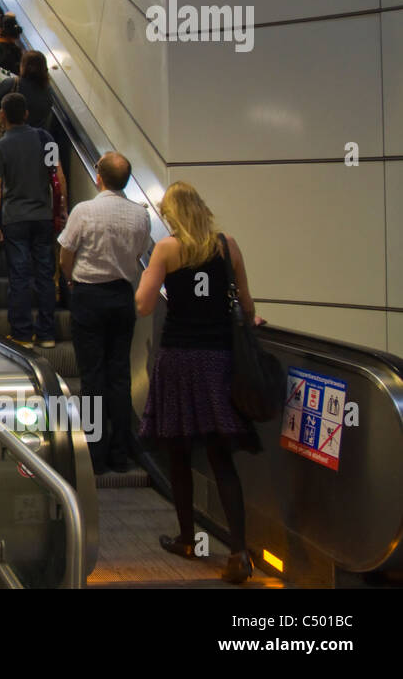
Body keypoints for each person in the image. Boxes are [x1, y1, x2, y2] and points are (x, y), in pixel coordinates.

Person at [135, 182, 262, 584]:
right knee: (221, 457)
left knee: (178, 452)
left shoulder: (168, 249)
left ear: (172, 215)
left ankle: (188, 539)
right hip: (220, 359)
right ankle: (239, 553)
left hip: (180, 360)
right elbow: (246, 305)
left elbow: (144, 304)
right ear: (203, 209)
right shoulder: (228, 245)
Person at [57, 152, 151, 476]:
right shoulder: (141, 216)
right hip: (122, 298)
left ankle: (95, 456)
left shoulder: (85, 211)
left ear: (99, 177)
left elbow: (65, 254)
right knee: (120, 376)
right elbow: (138, 253)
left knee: (92, 377)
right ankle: (120, 454)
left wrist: (70, 280)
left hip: (89, 296)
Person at [0, 92, 67, 348]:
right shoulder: (46, 138)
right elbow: (59, 176)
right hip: (44, 217)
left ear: (2, 116)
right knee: (45, 274)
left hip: (15, 219)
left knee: (19, 276)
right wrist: (62, 208)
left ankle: (22, 334)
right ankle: (47, 334)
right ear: (26, 114)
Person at [0, 49, 51, 133]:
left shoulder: (11, 83)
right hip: (32, 140)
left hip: (6, 137)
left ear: (23, 66)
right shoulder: (47, 91)